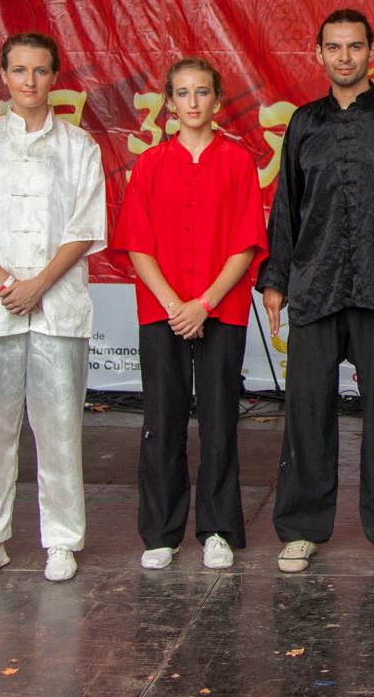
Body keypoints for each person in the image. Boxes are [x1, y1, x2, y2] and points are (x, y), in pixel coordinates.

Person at [260, 9, 374, 576]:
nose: (345, 57)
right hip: (314, 283)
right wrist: (276, 280)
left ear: (372, 51)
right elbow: (286, 208)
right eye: (334, 47)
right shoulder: (304, 124)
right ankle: (300, 528)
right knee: (306, 412)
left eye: (355, 46)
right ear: (318, 53)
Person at [0, 33, 106, 585]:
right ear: (3, 75)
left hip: (58, 306)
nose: (29, 81)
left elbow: (85, 227)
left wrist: (39, 285)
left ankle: (61, 540)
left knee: (60, 428)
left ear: (54, 76)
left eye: (39, 70)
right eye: (18, 70)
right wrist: (8, 282)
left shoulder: (78, 146)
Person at [114, 58, 265, 572]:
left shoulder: (238, 161)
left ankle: (218, 529)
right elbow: (137, 243)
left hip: (222, 308)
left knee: (220, 419)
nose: (193, 102)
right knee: (162, 419)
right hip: (163, 311)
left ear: (217, 100)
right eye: (183, 93)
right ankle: (161, 532)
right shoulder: (150, 164)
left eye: (203, 92)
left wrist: (205, 303)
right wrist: (175, 305)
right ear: (169, 102)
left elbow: (246, 242)